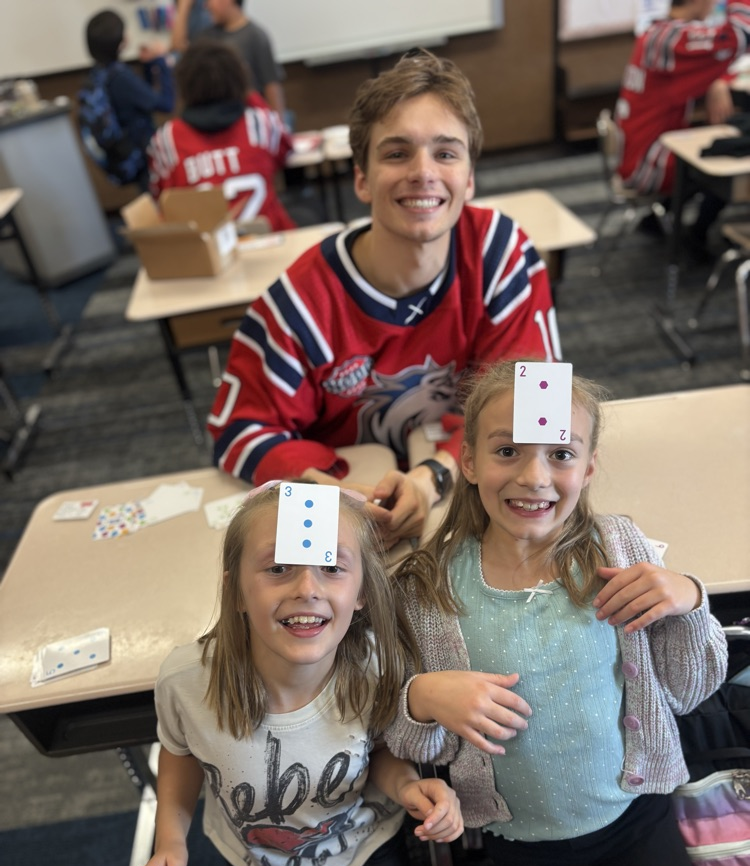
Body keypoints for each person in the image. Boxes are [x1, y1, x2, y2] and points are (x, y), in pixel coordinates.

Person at [384, 359, 731, 866]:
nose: (533, 477)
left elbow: (689, 687)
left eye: (560, 454)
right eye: (508, 450)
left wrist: (688, 598)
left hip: (636, 816)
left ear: (589, 467)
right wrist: (424, 698)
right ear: (466, 460)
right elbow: (408, 737)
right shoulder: (428, 589)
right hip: (523, 842)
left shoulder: (621, 551)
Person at [207, 49, 559, 550]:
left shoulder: (501, 254)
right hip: (349, 526)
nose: (423, 172)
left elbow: (533, 407)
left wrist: (431, 475)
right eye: (397, 153)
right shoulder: (298, 304)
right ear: (362, 179)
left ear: (470, 176)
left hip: (460, 497)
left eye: (446, 153)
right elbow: (237, 430)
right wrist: (319, 488)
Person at [131, 482, 462, 866]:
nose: (307, 588)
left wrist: (407, 788)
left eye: (331, 567)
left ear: (362, 593)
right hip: (257, 857)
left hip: (361, 842)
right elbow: (179, 751)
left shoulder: (374, 666)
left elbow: (378, 751)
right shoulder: (187, 682)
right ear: (236, 590)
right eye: (278, 567)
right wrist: (169, 842)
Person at [615, 0, 750, 251]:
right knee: (727, 162)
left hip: (640, 148)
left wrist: (718, 82)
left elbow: (717, 61)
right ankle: (697, 234)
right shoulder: (669, 38)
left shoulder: (659, 32)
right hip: (646, 161)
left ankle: (664, 220)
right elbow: (740, 36)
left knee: (722, 143)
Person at [147, 39, 296, 231]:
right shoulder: (260, 123)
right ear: (239, 78)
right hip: (272, 245)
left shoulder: (166, 139)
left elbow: (160, 197)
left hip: (208, 254)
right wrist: (248, 94)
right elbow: (286, 150)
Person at [84, 9, 175, 189]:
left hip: (128, 152)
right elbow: (165, 103)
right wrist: (163, 63)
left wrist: (150, 65)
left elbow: (145, 99)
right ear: (120, 41)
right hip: (144, 157)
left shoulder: (99, 74)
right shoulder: (120, 77)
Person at [198, 0, 287, 119]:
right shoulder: (206, 38)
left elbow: (271, 86)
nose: (207, 6)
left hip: (248, 118)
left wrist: (278, 125)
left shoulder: (256, 36)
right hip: (215, 119)